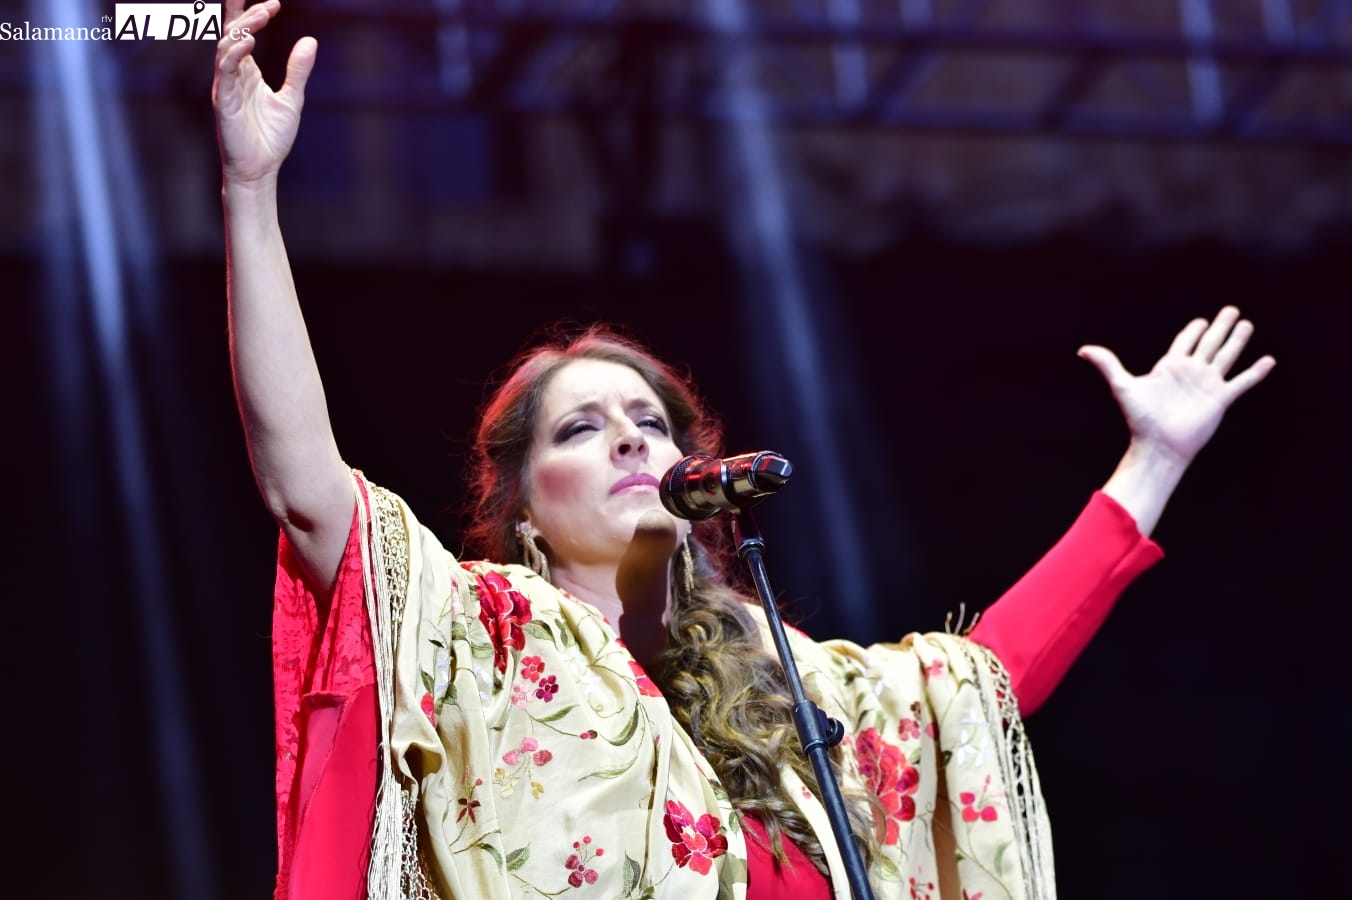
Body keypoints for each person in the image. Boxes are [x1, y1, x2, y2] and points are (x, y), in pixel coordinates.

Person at [213, 3, 1277, 898]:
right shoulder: (480, 639)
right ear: (525, 505)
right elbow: (305, 490)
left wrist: (1154, 458)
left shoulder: (785, 685)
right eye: (581, 428)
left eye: (651, 421)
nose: (631, 435)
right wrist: (250, 195)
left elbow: (982, 684)